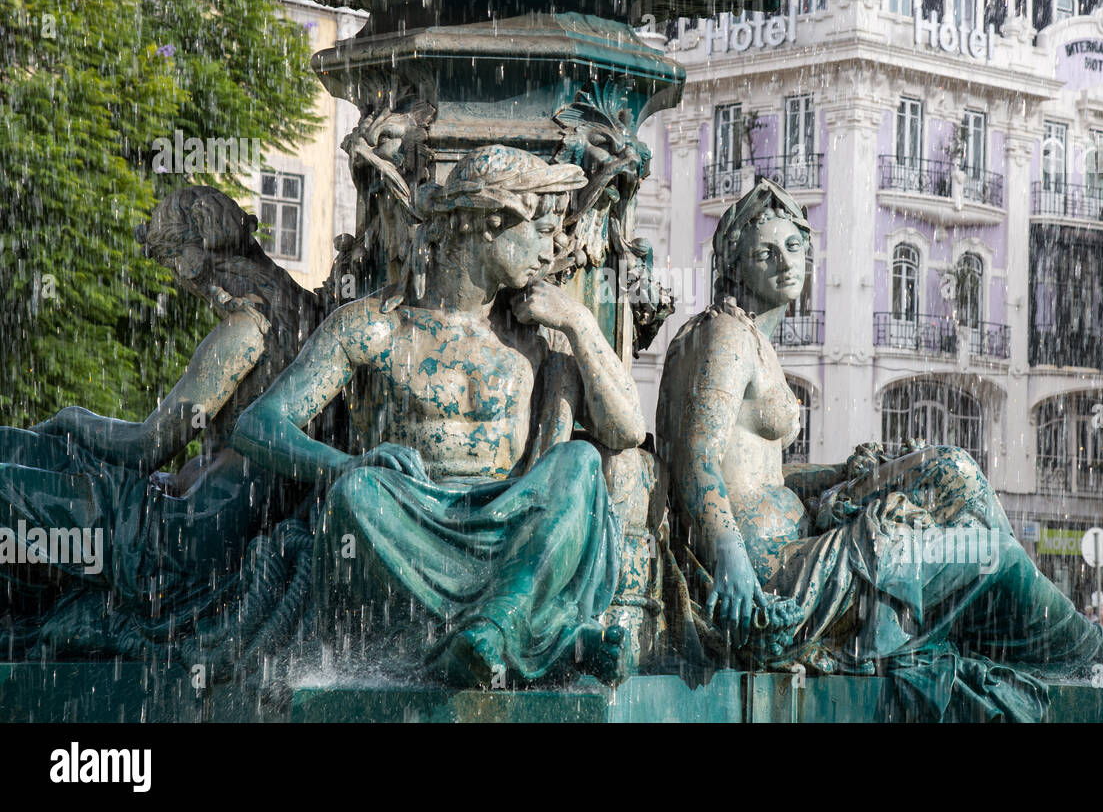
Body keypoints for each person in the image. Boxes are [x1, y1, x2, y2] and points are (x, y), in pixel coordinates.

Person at [656, 180, 1103, 720]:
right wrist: (732, 560)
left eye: (793, 247)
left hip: (796, 549)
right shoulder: (726, 336)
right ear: (735, 265)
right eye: (765, 253)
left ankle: (1057, 644)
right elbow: (698, 456)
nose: (785, 263)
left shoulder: (743, 338)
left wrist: (858, 471)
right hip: (774, 572)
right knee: (986, 554)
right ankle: (1087, 654)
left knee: (952, 471)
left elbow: (762, 475)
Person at [233, 144, 647, 686]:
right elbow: (257, 426)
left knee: (579, 464)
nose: (553, 252)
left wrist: (579, 323)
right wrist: (345, 467)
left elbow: (627, 431)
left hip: (512, 523)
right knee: (356, 497)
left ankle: (495, 629)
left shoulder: (538, 334)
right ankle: (542, 637)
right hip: (413, 516)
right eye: (543, 231)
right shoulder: (373, 326)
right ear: (489, 223)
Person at [0, 186, 326, 659]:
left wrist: (72, 420)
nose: (173, 274)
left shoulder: (246, 329)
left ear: (194, 257)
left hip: (180, 535)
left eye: (170, 257)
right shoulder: (296, 312)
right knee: (12, 446)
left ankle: (22, 622)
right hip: (187, 505)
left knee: (6, 487)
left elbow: (147, 447)